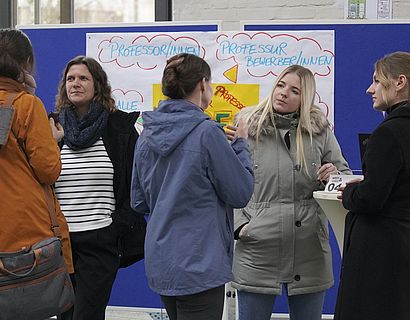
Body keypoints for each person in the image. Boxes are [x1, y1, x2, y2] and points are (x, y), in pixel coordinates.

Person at [130, 53, 254, 320]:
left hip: (162, 260)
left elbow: (139, 201)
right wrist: (242, 145)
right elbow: (241, 192)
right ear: (202, 84)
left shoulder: (147, 133)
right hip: (200, 262)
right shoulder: (208, 134)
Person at [230, 64, 351, 320]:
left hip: (308, 246)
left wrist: (333, 177)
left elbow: (345, 179)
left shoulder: (319, 130)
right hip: (257, 246)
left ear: (304, 99)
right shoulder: (246, 127)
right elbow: (227, 182)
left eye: (294, 90)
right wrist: (240, 226)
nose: (283, 93)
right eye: (281, 85)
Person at [53, 55, 145, 320]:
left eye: (83, 78)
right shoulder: (53, 128)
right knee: (66, 316)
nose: (76, 84)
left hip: (100, 239)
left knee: (87, 315)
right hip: (62, 243)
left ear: (98, 86)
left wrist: (118, 224)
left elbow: (134, 182)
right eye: (71, 79)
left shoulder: (119, 127)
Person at [335, 51, 410, 320]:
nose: (370, 89)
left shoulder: (389, 133)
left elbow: (372, 199)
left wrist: (350, 192)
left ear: (399, 82)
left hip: (381, 253)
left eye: (377, 81)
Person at [0, 29, 73, 282]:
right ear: (26, 63)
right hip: (23, 235)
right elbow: (48, 169)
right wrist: (52, 141)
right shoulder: (26, 105)